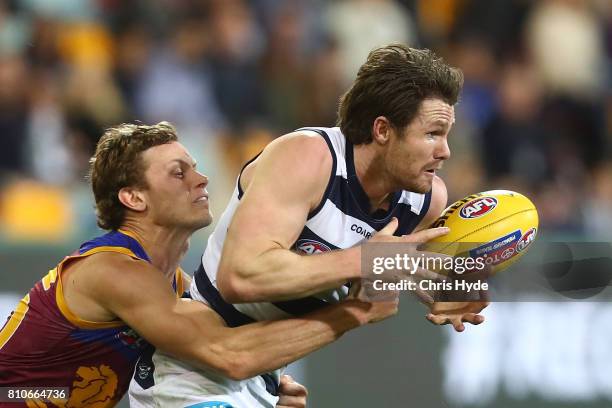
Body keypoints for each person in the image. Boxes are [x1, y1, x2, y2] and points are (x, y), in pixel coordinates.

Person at [134, 45, 489, 407]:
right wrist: (364, 262)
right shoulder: (307, 157)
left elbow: (373, 296)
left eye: (447, 135)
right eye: (433, 133)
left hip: (264, 378)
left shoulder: (426, 201)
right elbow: (240, 276)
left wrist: (448, 292)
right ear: (382, 129)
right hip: (190, 369)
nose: (445, 150)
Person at [0, 122, 399, 408]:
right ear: (134, 198)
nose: (202, 178)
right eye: (179, 173)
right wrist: (353, 311)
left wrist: (263, 390)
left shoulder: (173, 286)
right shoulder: (111, 270)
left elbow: (234, 357)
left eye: (194, 166)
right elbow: (230, 354)